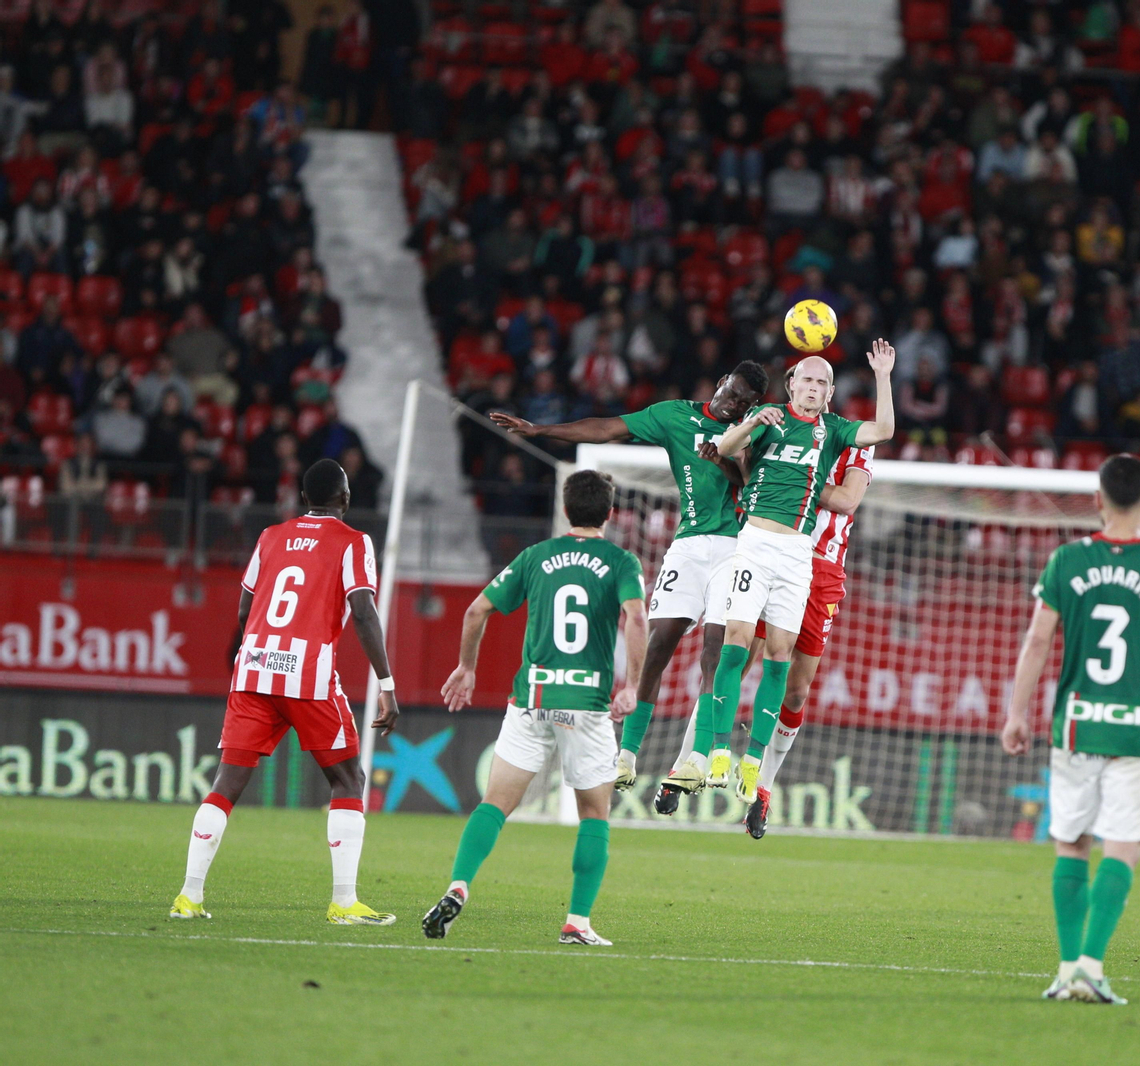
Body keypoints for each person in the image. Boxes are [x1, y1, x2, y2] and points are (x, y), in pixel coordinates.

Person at [489, 363, 768, 797]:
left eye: (744, 403)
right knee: (658, 644)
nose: (733, 405)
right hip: (690, 545)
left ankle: (697, 758)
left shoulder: (751, 431)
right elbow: (607, 428)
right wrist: (541, 430)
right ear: (720, 383)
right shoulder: (674, 415)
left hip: (735, 546)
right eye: (731, 393)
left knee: (715, 649)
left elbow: (751, 483)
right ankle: (626, 756)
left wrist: (724, 457)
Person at [1001, 454, 1140, 1004]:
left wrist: (1017, 713)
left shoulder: (1068, 559)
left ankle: (1067, 968)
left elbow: (1037, 640)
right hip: (1136, 730)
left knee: (1071, 844)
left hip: (1076, 724)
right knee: (1124, 845)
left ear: (1097, 499)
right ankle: (1091, 966)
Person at [664, 343, 897, 805]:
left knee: (792, 678)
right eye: (805, 379)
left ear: (830, 392)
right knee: (734, 648)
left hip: (814, 564)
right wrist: (762, 446)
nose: (812, 387)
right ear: (791, 385)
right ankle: (696, 758)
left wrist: (787, 472)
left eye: (821, 382)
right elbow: (725, 450)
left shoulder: (843, 436)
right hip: (758, 543)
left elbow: (847, 498)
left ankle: (760, 779)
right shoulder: (770, 420)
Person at [171, 459, 400, 925]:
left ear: (303, 499)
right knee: (347, 781)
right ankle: (344, 902)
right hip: (307, 674)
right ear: (346, 498)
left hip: (254, 668)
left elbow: (244, 611)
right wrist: (387, 684)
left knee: (226, 785)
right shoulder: (354, 541)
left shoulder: (270, 536)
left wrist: (261, 651)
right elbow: (363, 612)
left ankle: (189, 897)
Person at [423, 470, 646, 946]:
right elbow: (637, 617)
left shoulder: (536, 555)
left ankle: (458, 885)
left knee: (494, 804)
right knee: (595, 813)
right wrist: (633, 685)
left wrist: (466, 667)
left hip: (532, 699)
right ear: (610, 513)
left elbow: (475, 610)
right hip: (586, 706)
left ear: (565, 510)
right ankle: (576, 922)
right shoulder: (621, 561)